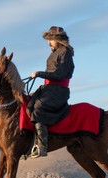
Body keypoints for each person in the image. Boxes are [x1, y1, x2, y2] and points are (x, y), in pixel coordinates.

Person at [28, 26, 75, 158]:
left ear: (58, 39)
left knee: (38, 107)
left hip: (58, 91)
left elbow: (59, 75)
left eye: (51, 40)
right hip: (49, 89)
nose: (49, 43)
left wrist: (39, 74)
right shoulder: (54, 52)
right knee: (28, 102)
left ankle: (42, 146)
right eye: (48, 40)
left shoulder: (65, 52)